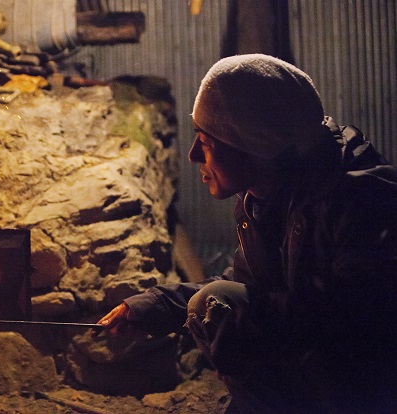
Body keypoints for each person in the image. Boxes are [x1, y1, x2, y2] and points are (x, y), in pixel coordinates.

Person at [94, 54, 397, 413]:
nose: (192, 156)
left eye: (205, 143)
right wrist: (152, 307)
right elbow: (252, 283)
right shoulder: (265, 199)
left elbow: (357, 331)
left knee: (218, 308)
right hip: (319, 382)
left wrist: (239, 331)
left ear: (251, 147)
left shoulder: (360, 202)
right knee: (212, 301)